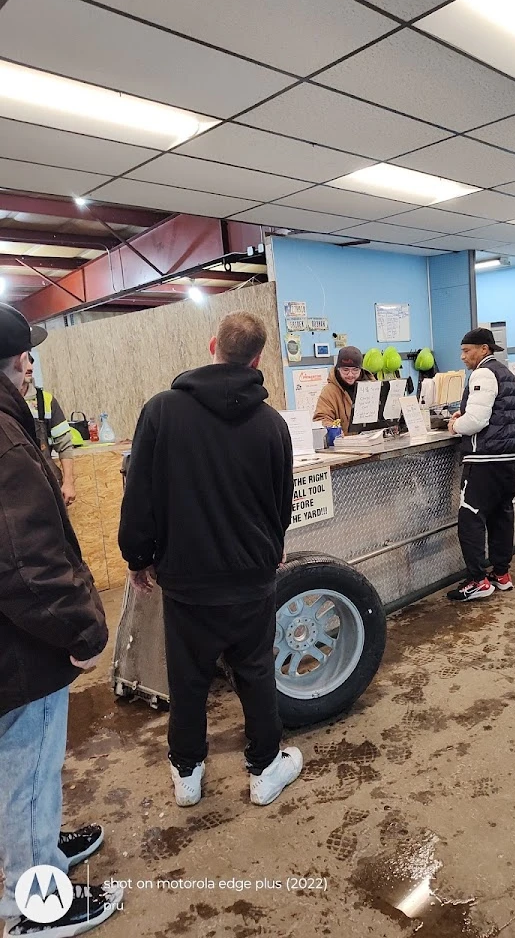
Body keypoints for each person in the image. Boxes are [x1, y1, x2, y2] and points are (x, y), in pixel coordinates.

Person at [118, 311, 302, 809]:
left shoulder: (160, 412)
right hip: (251, 577)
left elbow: (141, 496)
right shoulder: (272, 424)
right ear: (258, 359)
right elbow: (281, 500)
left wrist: (138, 557)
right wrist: (273, 544)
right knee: (256, 673)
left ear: (212, 344)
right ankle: (264, 769)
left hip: (186, 579)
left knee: (189, 677)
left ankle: (187, 774)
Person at [0, 303, 122, 938]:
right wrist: (80, 629)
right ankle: (36, 904)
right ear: (18, 362)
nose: (30, 366)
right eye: (27, 355)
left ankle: (38, 849)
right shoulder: (4, 436)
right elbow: (27, 562)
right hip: (18, 649)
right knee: (24, 767)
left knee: (19, 770)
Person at [447, 328, 515, 602]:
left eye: (467, 351)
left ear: (484, 349)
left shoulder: (482, 373)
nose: (463, 357)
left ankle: (479, 580)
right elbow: (494, 411)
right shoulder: (504, 372)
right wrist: (466, 412)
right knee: (501, 515)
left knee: (471, 517)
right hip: (510, 457)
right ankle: (501, 574)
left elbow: (477, 421)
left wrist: (455, 424)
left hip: (485, 458)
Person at [21, 355, 76, 508]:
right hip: (13, 488)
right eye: (24, 361)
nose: (30, 367)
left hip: (47, 484)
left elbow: (64, 444)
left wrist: (68, 482)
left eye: (31, 361)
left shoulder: (45, 400)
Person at [313, 345, 374, 434]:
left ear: (361, 369)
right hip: (344, 445)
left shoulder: (373, 386)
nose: (350, 374)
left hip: (373, 442)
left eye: (355, 370)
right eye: (345, 370)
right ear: (338, 369)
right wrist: (334, 430)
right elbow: (320, 420)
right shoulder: (329, 392)